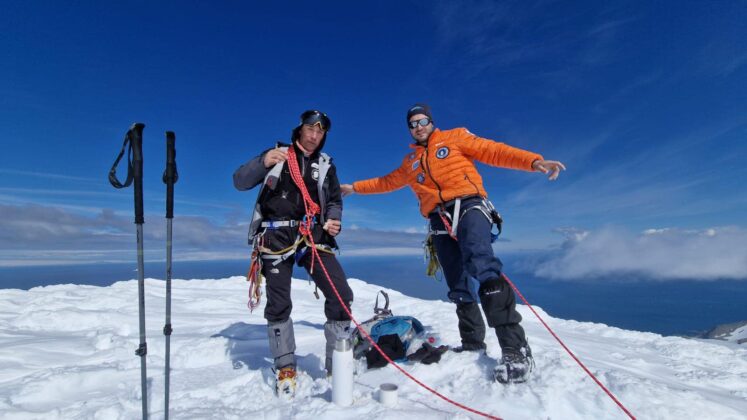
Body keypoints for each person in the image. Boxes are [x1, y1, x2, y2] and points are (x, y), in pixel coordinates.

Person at [340, 104, 565, 383]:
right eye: (412, 124)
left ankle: (515, 348)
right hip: (437, 218)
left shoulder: (456, 137)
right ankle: (473, 344)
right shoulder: (411, 162)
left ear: (432, 122)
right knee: (456, 280)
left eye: (423, 121)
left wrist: (533, 161)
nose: (418, 126)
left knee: (481, 264)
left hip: (469, 205)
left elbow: (493, 150)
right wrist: (355, 187)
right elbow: (386, 182)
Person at [233, 110, 354, 396]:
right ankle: (285, 363)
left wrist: (333, 219)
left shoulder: (326, 166)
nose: (314, 135)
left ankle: (337, 359)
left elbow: (334, 199)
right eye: (310, 129)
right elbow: (240, 181)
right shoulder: (277, 155)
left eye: (320, 131)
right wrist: (262, 162)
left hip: (313, 235)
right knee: (279, 302)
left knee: (340, 294)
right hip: (276, 235)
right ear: (299, 129)